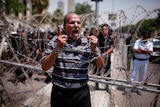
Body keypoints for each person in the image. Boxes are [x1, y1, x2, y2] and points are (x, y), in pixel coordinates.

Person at [41, 13, 105, 107]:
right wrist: (58, 48)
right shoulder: (56, 41)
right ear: (64, 26)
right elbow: (44, 66)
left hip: (81, 94)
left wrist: (95, 49)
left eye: (78, 22)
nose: (76, 25)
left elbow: (101, 65)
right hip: (60, 94)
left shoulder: (88, 43)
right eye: (72, 22)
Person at [130, 30, 153, 95]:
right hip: (137, 60)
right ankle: (130, 87)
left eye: (147, 35)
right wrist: (146, 51)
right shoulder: (138, 41)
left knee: (142, 75)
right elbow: (135, 50)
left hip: (145, 61)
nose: (145, 36)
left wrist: (141, 50)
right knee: (134, 74)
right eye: (144, 35)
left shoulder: (150, 43)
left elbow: (150, 52)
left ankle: (139, 88)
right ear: (142, 35)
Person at [94, 23, 114, 91]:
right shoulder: (98, 38)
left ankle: (107, 87)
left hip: (107, 58)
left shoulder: (110, 39)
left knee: (107, 72)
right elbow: (95, 46)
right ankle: (97, 85)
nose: (104, 30)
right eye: (102, 29)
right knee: (97, 71)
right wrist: (99, 54)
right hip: (99, 58)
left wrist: (105, 54)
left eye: (105, 29)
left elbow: (112, 48)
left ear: (108, 30)